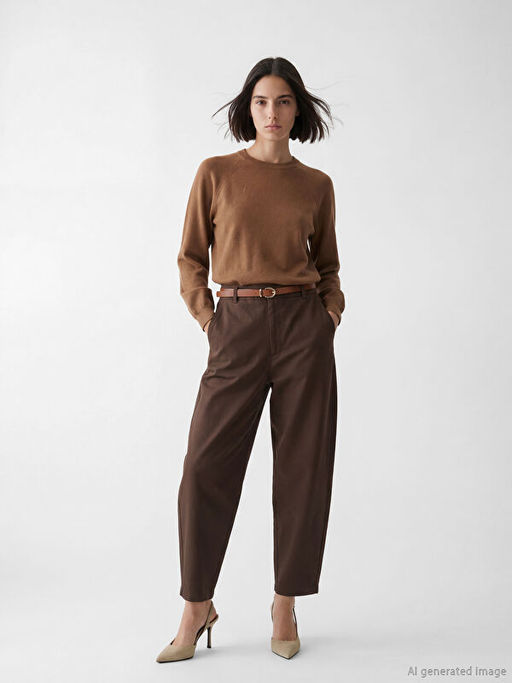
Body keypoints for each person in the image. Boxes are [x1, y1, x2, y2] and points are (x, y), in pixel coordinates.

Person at [156, 56, 346, 663]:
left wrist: (329, 314)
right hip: (234, 326)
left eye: (284, 101)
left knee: (302, 469)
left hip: (302, 329)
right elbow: (191, 258)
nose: (272, 112)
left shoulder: (316, 185)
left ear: (298, 110)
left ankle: (285, 603)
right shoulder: (216, 173)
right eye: (262, 101)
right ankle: (196, 606)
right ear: (248, 108)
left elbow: (329, 266)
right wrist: (209, 319)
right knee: (203, 468)